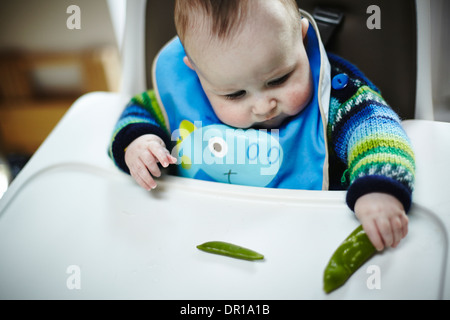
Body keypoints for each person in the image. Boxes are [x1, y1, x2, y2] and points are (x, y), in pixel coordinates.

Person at [108, 0, 415, 252]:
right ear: (197, 72)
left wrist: (377, 189)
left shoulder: (335, 99)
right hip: (194, 244)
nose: (263, 105)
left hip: (307, 247)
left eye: (278, 79)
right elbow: (139, 113)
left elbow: (378, 130)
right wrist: (140, 143)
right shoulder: (184, 95)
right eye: (234, 94)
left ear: (302, 38)